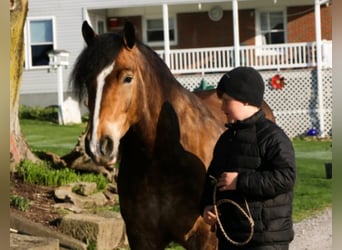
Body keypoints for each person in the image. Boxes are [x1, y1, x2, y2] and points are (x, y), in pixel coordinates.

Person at [200, 66, 296, 250]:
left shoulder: (273, 137)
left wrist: (240, 181)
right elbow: (213, 178)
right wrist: (207, 206)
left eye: (226, 101)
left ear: (245, 100)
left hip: (266, 239)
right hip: (231, 237)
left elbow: (286, 177)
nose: (221, 107)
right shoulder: (226, 139)